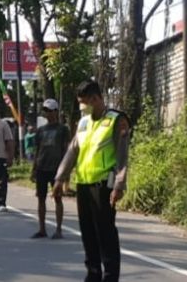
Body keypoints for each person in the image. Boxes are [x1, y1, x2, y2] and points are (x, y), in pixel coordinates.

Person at [54, 80, 131, 282]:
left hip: (103, 187)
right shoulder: (84, 122)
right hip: (84, 187)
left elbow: (122, 157)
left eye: (84, 102)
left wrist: (119, 185)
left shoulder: (117, 120)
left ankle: (110, 277)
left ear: (96, 99)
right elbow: (73, 150)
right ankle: (93, 275)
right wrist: (60, 178)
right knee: (88, 234)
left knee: (106, 235)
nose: (82, 107)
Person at [30, 98, 70, 239]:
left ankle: (58, 229)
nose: (48, 113)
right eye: (45, 111)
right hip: (42, 167)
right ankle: (42, 229)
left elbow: (66, 150)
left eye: (50, 111)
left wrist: (65, 171)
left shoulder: (63, 129)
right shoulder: (40, 130)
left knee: (57, 198)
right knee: (41, 199)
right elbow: (37, 151)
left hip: (56, 169)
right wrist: (34, 168)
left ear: (56, 111)